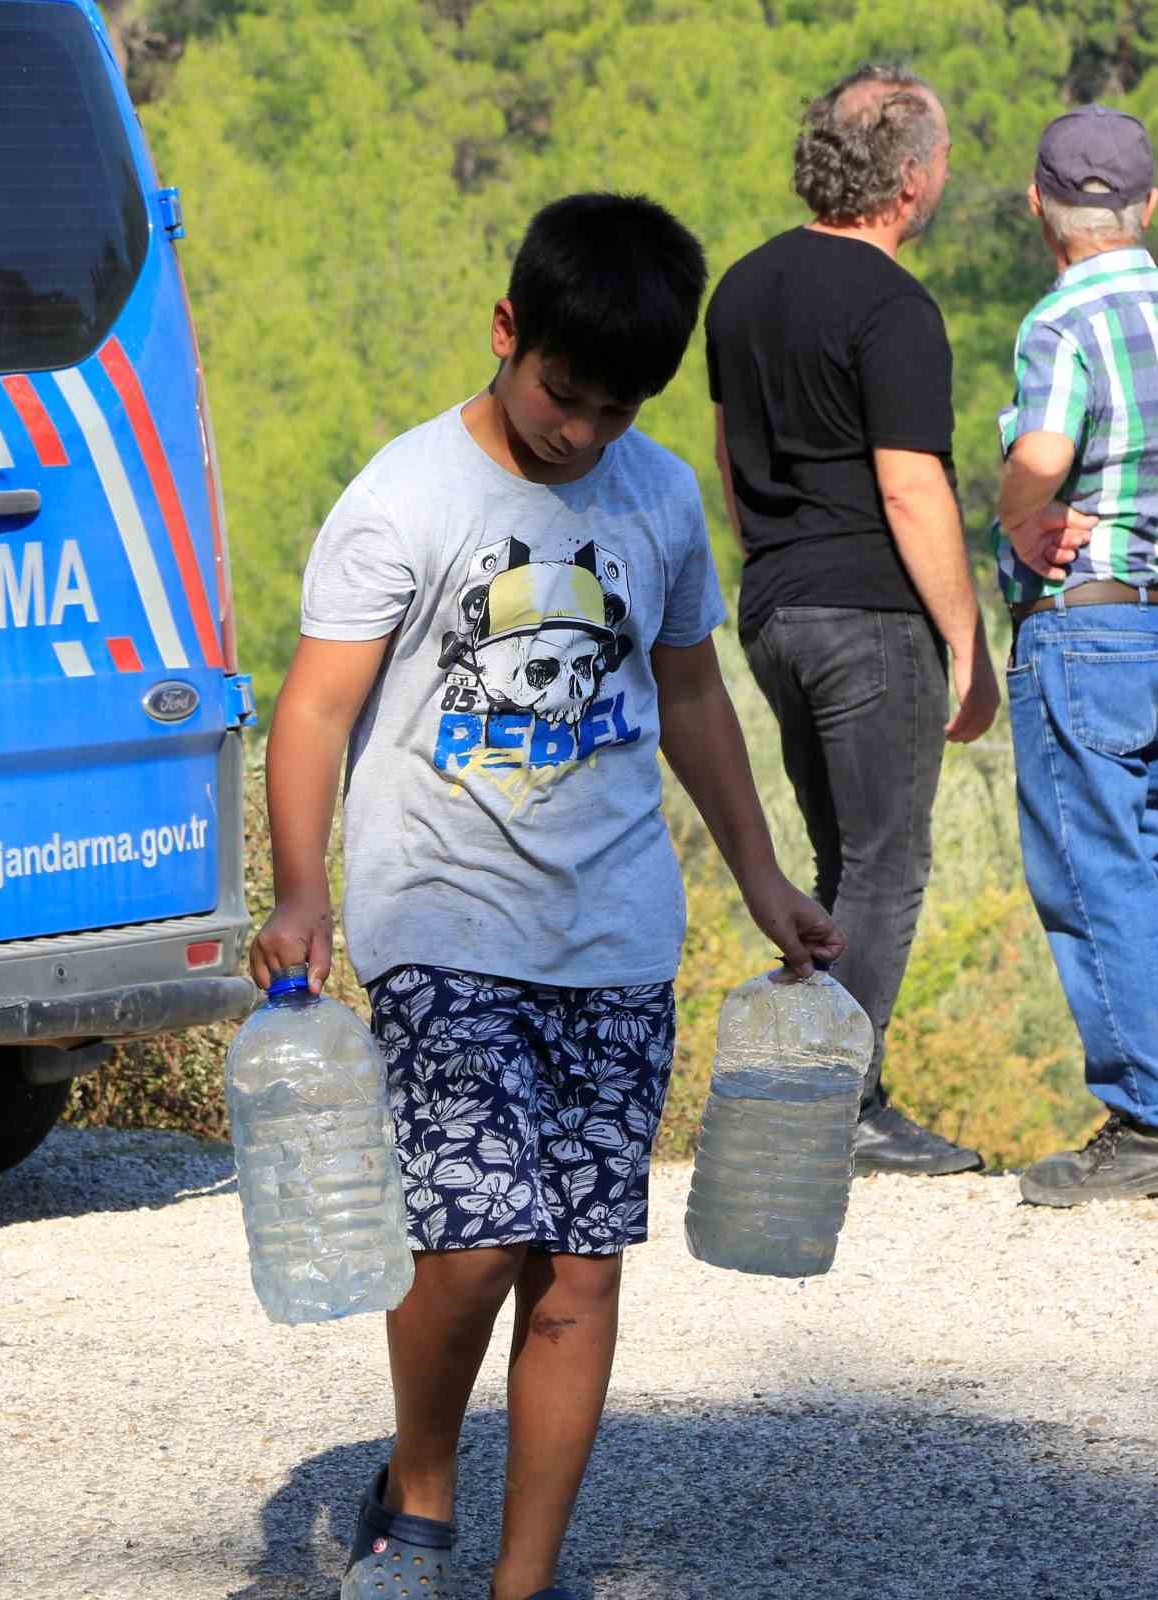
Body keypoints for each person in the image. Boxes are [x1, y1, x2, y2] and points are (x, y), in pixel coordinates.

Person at [250, 192, 843, 1600]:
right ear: (507, 331)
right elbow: (317, 710)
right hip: (441, 915)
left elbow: (689, 688)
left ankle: (525, 1581)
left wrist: (761, 876)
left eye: (615, 410)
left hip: (616, 931)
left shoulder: (656, 497)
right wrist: (296, 891)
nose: (581, 433)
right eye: (562, 395)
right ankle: (426, 1502)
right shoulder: (407, 495)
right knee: (474, 1234)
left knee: (579, 1266)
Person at [704, 63, 1000, 1176]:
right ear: (913, 177)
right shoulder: (892, 305)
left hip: (775, 605)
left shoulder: (740, 287)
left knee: (838, 856)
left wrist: (769, 566)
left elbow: (732, 466)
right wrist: (967, 646)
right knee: (888, 862)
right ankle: (841, 1107)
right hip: (869, 612)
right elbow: (912, 486)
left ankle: (805, 1084)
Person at [995, 105, 1158, 1207]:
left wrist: (1017, 515)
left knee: (1098, 868)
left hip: (1093, 621)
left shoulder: (1065, 319)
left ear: (1037, 210)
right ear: (1151, 206)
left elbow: (1047, 447)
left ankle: (1145, 1118)